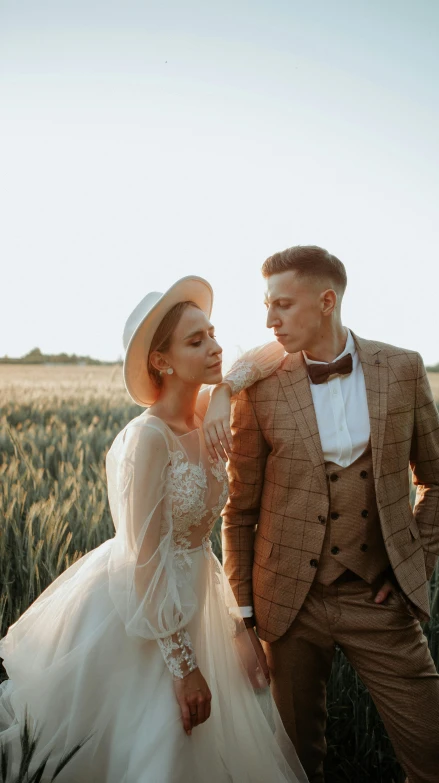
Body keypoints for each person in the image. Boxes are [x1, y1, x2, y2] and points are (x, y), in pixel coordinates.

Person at [0, 276, 307, 783]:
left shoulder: (207, 414)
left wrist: (227, 388)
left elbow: (275, 350)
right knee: (162, 745)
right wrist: (183, 668)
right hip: (144, 614)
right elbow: (143, 558)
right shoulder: (149, 439)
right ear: (161, 361)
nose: (214, 346)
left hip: (200, 594)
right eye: (196, 341)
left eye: (212, 333)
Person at [222, 246, 439, 783]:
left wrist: (411, 565)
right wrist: (243, 621)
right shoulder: (260, 389)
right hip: (287, 604)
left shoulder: (402, 368)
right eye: (268, 306)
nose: (270, 321)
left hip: (378, 601)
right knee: (295, 765)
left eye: (283, 305)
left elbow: (438, 481)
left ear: (327, 300)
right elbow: (239, 511)